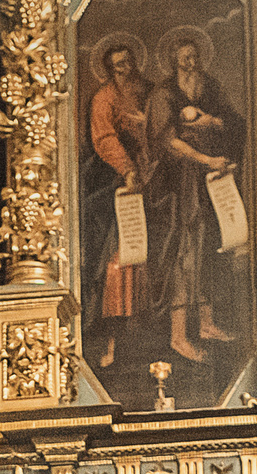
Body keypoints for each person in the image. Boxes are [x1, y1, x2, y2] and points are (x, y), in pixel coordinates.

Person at [144, 31, 245, 366]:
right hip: (177, 184)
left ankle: (205, 324)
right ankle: (177, 336)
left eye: (194, 57)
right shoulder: (163, 94)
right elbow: (168, 141)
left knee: (208, 248)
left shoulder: (210, 86)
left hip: (209, 180)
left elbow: (232, 121)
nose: (190, 63)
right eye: (183, 58)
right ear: (174, 62)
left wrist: (210, 121)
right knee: (182, 251)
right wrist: (206, 160)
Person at [83, 39, 152, 370]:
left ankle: (145, 328)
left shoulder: (149, 91)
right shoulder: (104, 98)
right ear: (109, 70)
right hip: (115, 178)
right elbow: (104, 139)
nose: (124, 70)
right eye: (117, 66)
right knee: (117, 257)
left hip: (153, 175)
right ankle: (111, 338)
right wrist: (127, 170)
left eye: (128, 63)